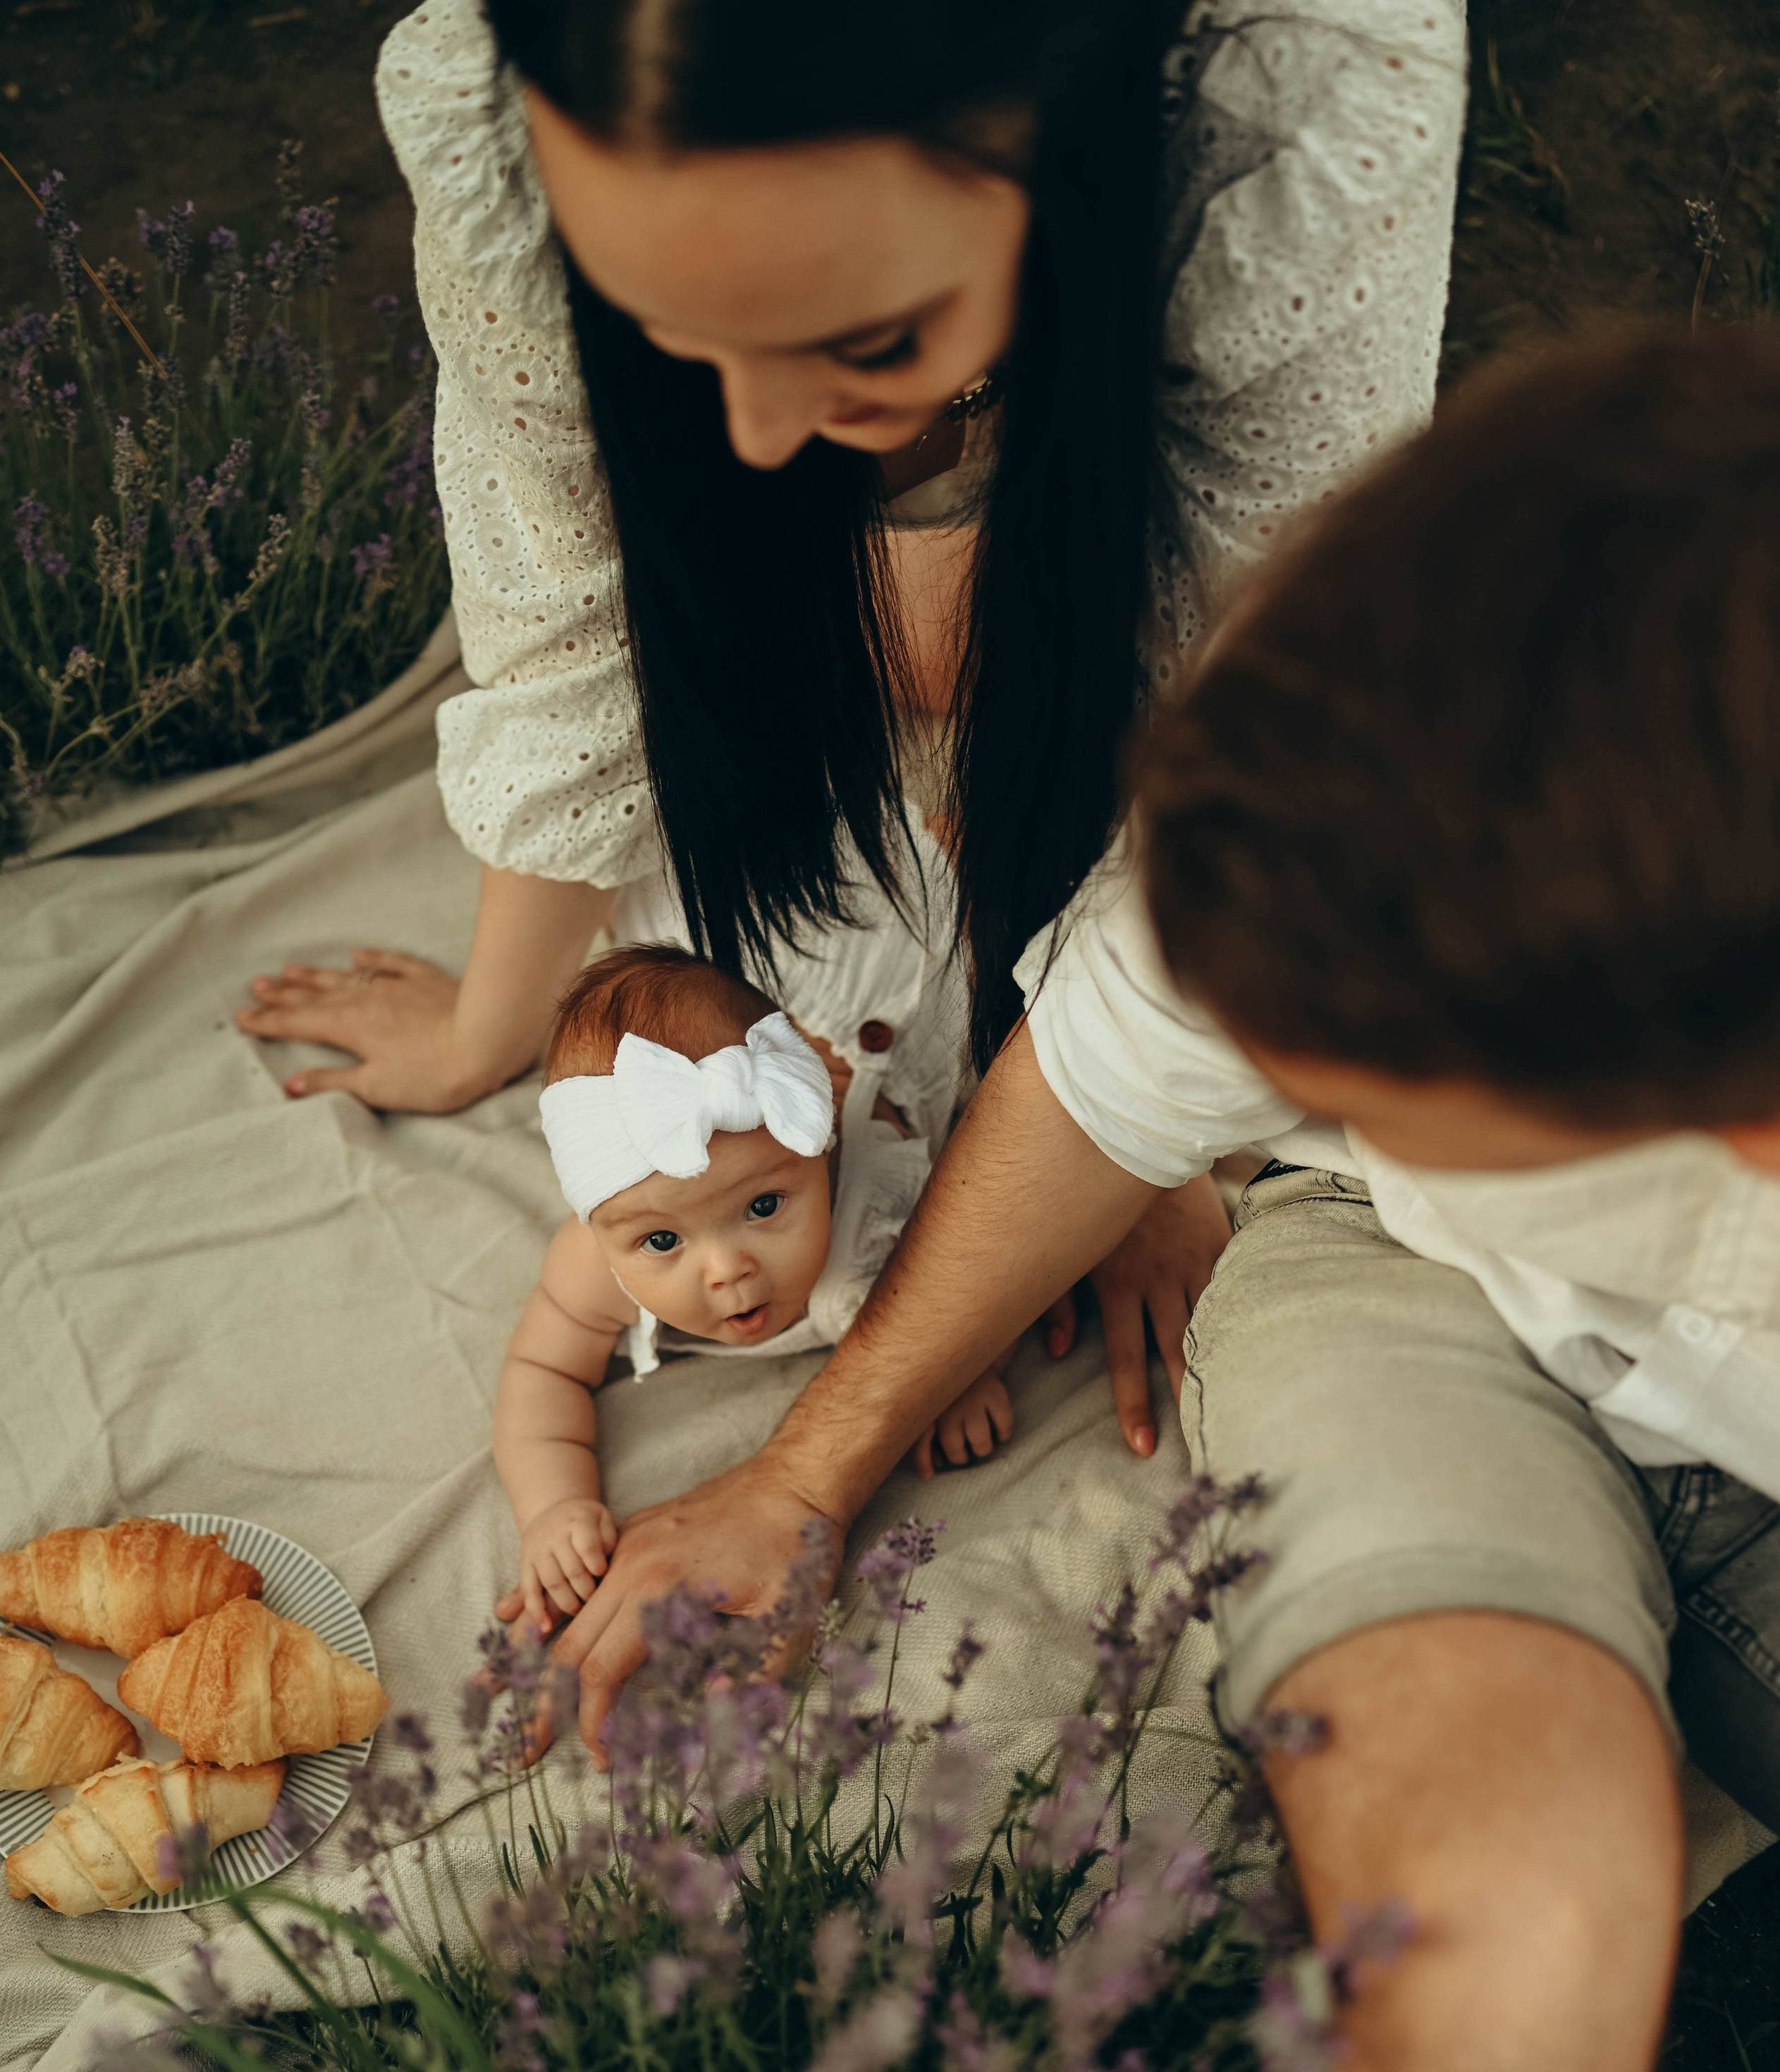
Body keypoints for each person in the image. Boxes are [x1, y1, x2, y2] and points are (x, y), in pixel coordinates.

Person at [548, 321, 1780, 2072]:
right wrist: (803, 1474)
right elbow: (1109, 1081)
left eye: (1348, 1067)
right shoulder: (1435, 732)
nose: (1230, 1089)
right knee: (1483, 1920)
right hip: (1415, 1305)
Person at [232, 0, 1466, 1453]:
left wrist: (1135, 1138)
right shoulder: (506, 99)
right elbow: (573, 624)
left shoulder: (1297, 116)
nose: (758, 439)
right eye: (672, 339)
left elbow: (1249, 712)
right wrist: (490, 1027)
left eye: (866, 340)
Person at [493, 944, 1014, 1631]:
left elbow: (988, 1253)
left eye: (763, 1206)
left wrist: (968, 1363)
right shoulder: (593, 1265)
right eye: (662, 1242)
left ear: (821, 1150)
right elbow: (540, 1372)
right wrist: (552, 1507)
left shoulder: (882, 1201)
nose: (727, 1269)